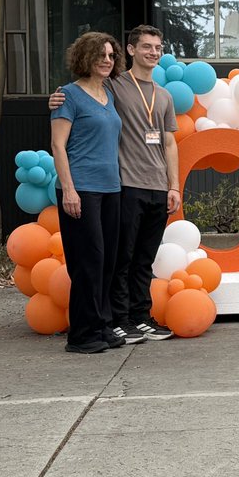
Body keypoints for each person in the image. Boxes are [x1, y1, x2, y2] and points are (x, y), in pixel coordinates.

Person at [50, 25, 180, 343]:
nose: (153, 52)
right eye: (146, 46)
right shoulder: (110, 87)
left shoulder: (146, 95)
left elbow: (170, 143)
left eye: (158, 47)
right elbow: (72, 102)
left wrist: (174, 185)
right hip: (112, 185)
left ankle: (125, 320)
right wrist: (54, 97)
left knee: (129, 259)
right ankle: (106, 324)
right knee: (108, 259)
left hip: (137, 186)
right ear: (132, 50)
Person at [51, 32, 125, 354]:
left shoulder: (108, 95)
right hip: (80, 188)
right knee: (87, 262)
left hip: (111, 188)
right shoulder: (68, 96)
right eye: (100, 55)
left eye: (110, 55)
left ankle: (102, 326)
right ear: (85, 58)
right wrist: (69, 190)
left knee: (107, 261)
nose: (107, 60)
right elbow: (57, 145)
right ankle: (81, 334)